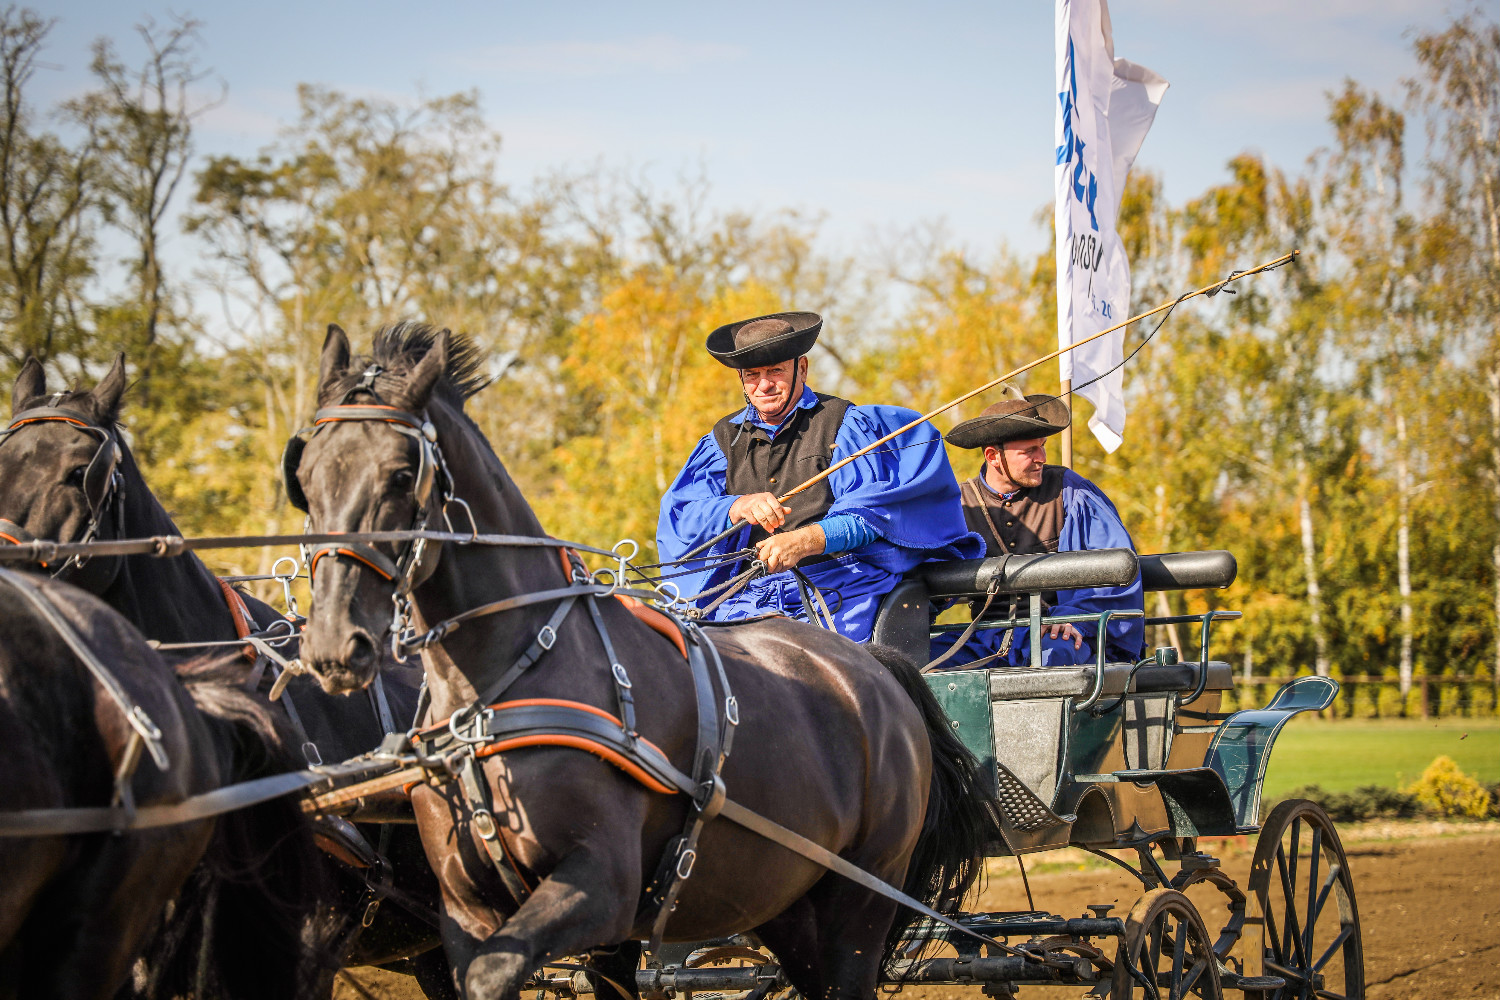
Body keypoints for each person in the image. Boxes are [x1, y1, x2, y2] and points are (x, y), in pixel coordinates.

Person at [657, 311, 982, 642]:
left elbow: (869, 516)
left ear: (802, 368)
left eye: (775, 371)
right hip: (748, 596)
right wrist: (736, 506)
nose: (764, 385)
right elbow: (683, 515)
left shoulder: (846, 425)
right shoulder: (721, 441)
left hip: (840, 589)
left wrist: (803, 541)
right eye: (752, 375)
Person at [930, 391, 1144, 668]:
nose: (1041, 457)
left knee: (1054, 656)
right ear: (993, 456)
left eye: (1042, 446)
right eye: (1029, 451)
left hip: (1058, 632)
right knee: (916, 665)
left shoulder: (1071, 493)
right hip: (986, 638)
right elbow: (932, 576)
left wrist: (1075, 618)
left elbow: (1114, 568)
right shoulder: (959, 507)